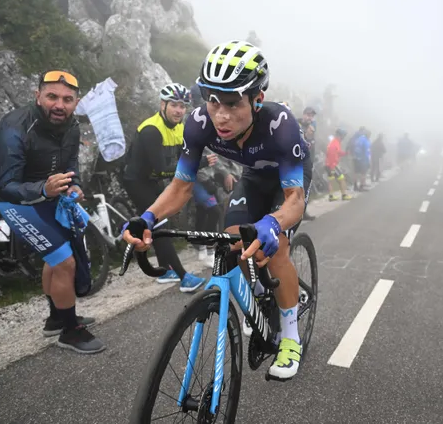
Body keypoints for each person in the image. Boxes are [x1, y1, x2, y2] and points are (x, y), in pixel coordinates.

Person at [124, 40, 312, 380]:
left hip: (287, 184)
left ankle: (290, 336)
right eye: (213, 101)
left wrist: (273, 221)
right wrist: (147, 218)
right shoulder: (198, 123)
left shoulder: (280, 125)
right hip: (254, 178)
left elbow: (295, 200)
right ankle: (260, 299)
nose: (221, 115)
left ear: (257, 100)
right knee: (233, 242)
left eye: (232, 103)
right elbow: (181, 187)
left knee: (277, 245)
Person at [0, 70, 103, 354]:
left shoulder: (72, 126)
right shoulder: (13, 127)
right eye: (51, 96)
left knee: (55, 258)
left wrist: (73, 184)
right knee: (64, 261)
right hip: (15, 201)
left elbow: (71, 163)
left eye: (67, 99)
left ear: (76, 103)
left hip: (50, 195)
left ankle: (56, 317)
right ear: (37, 95)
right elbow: (5, 185)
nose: (59, 105)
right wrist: (43, 189)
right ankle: (70, 331)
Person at [122, 83, 207, 290]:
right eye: (174, 105)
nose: (179, 110)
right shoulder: (151, 130)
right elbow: (162, 169)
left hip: (151, 179)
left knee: (162, 222)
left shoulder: (179, 127)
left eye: (182, 106)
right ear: (163, 104)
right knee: (158, 224)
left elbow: (181, 158)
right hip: (136, 180)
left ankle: (164, 270)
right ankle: (183, 276)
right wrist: (199, 165)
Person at [325, 128, 352, 201]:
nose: (344, 137)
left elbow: (338, 153)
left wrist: (345, 153)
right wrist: (332, 167)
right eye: (343, 136)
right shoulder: (335, 143)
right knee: (342, 179)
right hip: (332, 165)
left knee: (331, 180)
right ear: (340, 135)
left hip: (329, 164)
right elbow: (331, 155)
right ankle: (344, 195)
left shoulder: (335, 142)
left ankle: (331, 196)